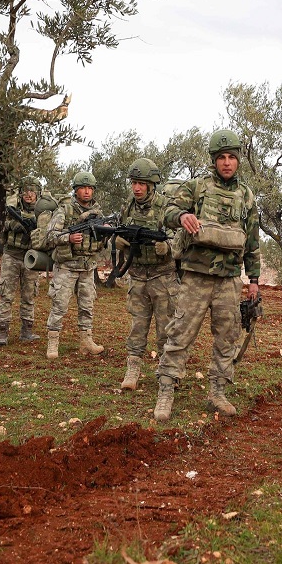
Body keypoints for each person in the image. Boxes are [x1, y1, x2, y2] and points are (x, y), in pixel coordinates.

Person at [152, 129, 261, 422]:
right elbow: (168, 210)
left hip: (228, 280)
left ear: (238, 161)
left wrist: (253, 280)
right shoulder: (196, 186)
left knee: (227, 336)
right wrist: (181, 216)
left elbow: (252, 241)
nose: (227, 163)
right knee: (180, 333)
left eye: (232, 157)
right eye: (221, 158)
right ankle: (166, 389)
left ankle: (217, 392)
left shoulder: (247, 196)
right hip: (195, 276)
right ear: (214, 160)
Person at [118, 158, 177, 390]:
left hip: (163, 277)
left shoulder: (167, 208)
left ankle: (168, 373)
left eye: (141, 183)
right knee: (137, 327)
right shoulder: (128, 208)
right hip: (138, 276)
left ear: (152, 184)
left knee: (166, 329)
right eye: (134, 183)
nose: (137, 188)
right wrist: (118, 242)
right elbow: (118, 231)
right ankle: (132, 369)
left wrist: (169, 248)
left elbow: (182, 239)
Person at [44, 171, 107, 359]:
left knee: (87, 306)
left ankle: (86, 341)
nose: (86, 192)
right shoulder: (65, 210)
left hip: (88, 268)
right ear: (76, 190)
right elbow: (49, 236)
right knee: (59, 305)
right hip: (67, 267)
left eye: (89, 188)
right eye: (82, 188)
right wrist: (68, 238)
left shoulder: (98, 213)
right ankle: (53, 342)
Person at [0, 177, 43, 346]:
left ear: (38, 193)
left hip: (31, 258)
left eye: (32, 191)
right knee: (6, 294)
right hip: (11, 255)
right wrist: (11, 225)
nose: (28, 194)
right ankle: (2, 332)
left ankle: (27, 331)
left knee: (29, 295)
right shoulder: (11, 208)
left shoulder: (43, 212)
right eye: (25, 191)